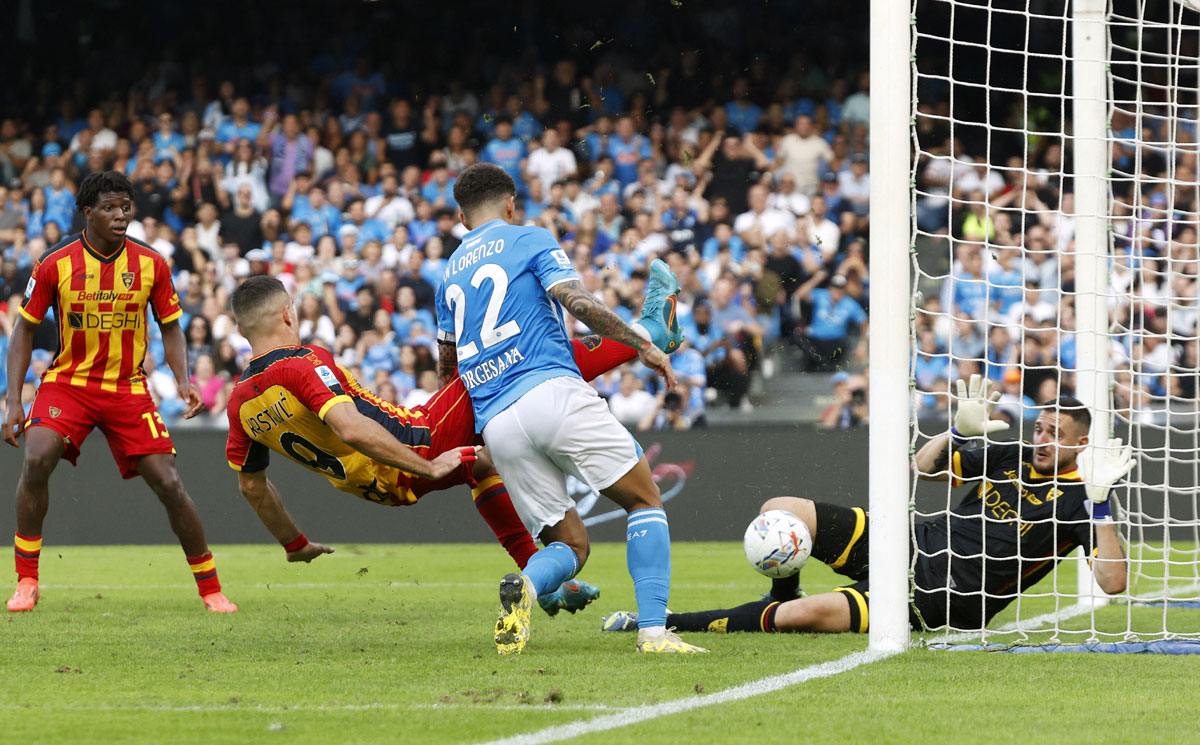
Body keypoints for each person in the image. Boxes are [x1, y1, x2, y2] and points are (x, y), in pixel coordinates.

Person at [224, 275, 680, 616]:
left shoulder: (240, 402)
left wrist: (295, 543)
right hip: (416, 445)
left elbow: (252, 488)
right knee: (512, 362)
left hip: (380, 489)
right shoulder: (303, 364)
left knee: (482, 466)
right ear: (287, 314)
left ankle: (540, 580)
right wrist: (428, 465)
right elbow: (352, 429)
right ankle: (652, 332)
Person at [602, 376, 1132, 635]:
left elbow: (1112, 582)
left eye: (1054, 433)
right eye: (1040, 426)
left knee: (803, 617)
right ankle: (782, 580)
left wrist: (1102, 504)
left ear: (1080, 444)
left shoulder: (1085, 502)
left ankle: (670, 623)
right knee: (779, 510)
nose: (1041, 438)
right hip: (910, 542)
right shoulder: (1010, 453)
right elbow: (924, 467)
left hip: (943, 596)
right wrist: (953, 430)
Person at [435, 162, 705, 654]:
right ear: (511, 204)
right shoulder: (530, 238)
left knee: (570, 545)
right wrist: (638, 343)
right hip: (551, 392)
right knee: (644, 500)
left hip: (498, 423)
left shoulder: (448, 276)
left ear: (461, 215)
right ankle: (653, 633)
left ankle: (528, 587)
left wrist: (472, 438)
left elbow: (448, 371)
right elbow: (574, 301)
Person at [2, 171, 237, 614]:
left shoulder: (152, 263)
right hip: (68, 382)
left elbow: (171, 326)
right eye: (109, 208)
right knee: (35, 459)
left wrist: (183, 379)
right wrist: (15, 398)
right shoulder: (55, 262)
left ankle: (211, 588)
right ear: (87, 213)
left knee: (168, 482)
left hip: (126, 387)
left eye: (125, 207)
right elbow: (23, 330)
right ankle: (27, 581)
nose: (120, 216)